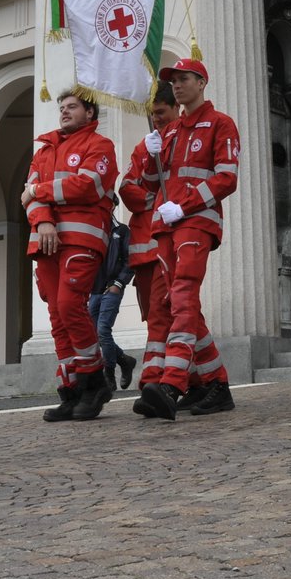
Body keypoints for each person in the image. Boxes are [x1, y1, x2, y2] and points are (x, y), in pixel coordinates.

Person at [135, 58, 239, 420]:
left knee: (182, 297)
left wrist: (184, 205)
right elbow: (149, 185)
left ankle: (172, 383)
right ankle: (215, 382)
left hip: (195, 222)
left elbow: (227, 178)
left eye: (183, 79)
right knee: (175, 305)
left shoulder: (221, 123)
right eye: (174, 80)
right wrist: (149, 158)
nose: (177, 86)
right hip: (166, 225)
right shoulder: (170, 131)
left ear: (201, 82)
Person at [24, 91, 120, 422]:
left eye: (71, 107)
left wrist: (39, 192)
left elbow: (88, 186)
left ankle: (95, 382)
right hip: (45, 239)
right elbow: (28, 196)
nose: (64, 112)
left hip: (82, 237)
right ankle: (71, 390)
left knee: (69, 306)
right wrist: (45, 219)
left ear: (89, 113)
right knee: (56, 314)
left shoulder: (100, 145)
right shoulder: (44, 150)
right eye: (61, 108)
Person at [119, 83, 178, 388]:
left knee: (164, 312)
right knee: (157, 314)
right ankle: (191, 377)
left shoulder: (183, 137)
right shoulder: (144, 146)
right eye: (152, 114)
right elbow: (126, 187)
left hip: (170, 245)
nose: (156, 119)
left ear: (175, 108)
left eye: (161, 112)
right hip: (144, 249)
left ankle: (154, 379)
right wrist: (152, 200)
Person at [87, 219, 138, 392]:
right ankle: (124, 360)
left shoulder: (122, 230)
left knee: (102, 330)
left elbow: (130, 259)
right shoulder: (92, 229)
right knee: (94, 334)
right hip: (94, 290)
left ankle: (109, 375)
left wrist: (119, 283)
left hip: (112, 287)